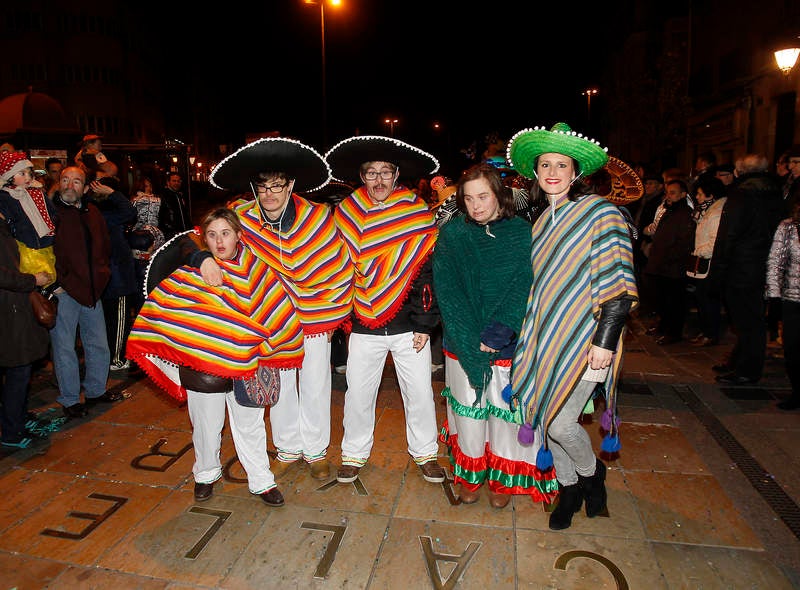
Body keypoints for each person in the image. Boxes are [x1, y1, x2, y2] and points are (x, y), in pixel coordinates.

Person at [507, 123, 639, 530]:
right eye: (544, 163)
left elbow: (618, 280)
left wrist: (605, 340)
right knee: (546, 416)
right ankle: (568, 489)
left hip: (588, 338)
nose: (551, 171)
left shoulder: (602, 213)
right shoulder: (541, 221)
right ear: (535, 171)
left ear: (576, 171)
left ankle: (591, 475)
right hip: (546, 337)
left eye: (560, 164)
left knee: (562, 422)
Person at [126, 208, 304, 506]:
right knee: (206, 425)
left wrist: (268, 350)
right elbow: (165, 313)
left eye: (225, 233)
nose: (220, 241)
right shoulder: (190, 273)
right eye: (212, 235)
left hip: (246, 365)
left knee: (251, 424)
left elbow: (276, 315)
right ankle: (205, 475)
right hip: (204, 369)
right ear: (204, 240)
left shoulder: (258, 270)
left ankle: (261, 481)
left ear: (238, 236)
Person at [207, 137, 353, 481]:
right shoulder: (241, 218)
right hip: (271, 316)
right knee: (282, 384)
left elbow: (338, 265)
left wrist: (331, 313)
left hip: (316, 315)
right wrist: (202, 258)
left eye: (277, 186)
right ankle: (288, 447)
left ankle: (316, 450)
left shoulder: (317, 217)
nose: (270, 194)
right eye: (263, 187)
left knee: (316, 383)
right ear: (253, 188)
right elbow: (211, 238)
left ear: (291, 185)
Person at [432, 163, 557, 508]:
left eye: (482, 196)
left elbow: (525, 285)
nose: (475, 205)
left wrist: (500, 329)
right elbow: (447, 288)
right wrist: (470, 334)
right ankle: (471, 475)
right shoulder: (453, 234)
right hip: (463, 339)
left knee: (504, 414)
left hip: (507, 343)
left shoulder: (521, 232)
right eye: (468, 198)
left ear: (498, 195)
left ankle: (502, 480)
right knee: (470, 412)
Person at [325, 135, 445, 485]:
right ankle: (353, 453)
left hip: (409, 324)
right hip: (363, 320)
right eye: (370, 173)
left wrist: (425, 323)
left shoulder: (416, 212)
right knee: (358, 393)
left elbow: (425, 271)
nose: (378, 180)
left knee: (420, 393)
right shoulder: (345, 212)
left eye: (385, 172)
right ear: (362, 177)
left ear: (396, 175)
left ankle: (426, 453)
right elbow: (337, 268)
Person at [51, 166, 123, 418]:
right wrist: (56, 284)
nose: (70, 186)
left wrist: (102, 275)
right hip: (64, 291)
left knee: (98, 345)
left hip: (93, 290)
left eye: (76, 181)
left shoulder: (92, 212)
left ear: (84, 187)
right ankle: (70, 399)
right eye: (65, 180)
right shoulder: (51, 212)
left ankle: (95, 390)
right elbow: (41, 251)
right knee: (64, 348)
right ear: (59, 182)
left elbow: (104, 246)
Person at [711, 154, 785, 385]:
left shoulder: (741, 194)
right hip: (764, 262)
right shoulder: (776, 192)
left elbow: (729, 233)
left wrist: (719, 266)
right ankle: (738, 361)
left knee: (747, 320)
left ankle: (748, 370)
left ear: (738, 171)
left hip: (741, 265)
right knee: (749, 317)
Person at [0, 210, 52, 449]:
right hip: (8, 308)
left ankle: (17, 420)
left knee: (19, 369)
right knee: (18, 369)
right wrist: (32, 280)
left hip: (13, 306)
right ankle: (12, 431)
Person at [87, 160, 138, 372]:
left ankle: (110, 357)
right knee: (118, 321)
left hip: (107, 277)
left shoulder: (93, 211)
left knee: (109, 320)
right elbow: (130, 212)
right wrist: (112, 193)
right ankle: (116, 359)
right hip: (117, 278)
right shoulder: (104, 215)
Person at [642, 179, 695, 345]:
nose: (669, 196)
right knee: (662, 299)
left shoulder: (685, 213)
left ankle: (673, 332)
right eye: (667, 193)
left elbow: (683, 242)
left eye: (673, 193)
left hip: (673, 266)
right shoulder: (668, 210)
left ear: (683, 194)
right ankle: (663, 326)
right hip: (660, 263)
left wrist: (669, 257)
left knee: (674, 301)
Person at [686, 175, 727, 347]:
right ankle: (706, 331)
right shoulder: (708, 212)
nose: (697, 197)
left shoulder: (716, 214)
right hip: (702, 261)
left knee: (708, 301)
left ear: (711, 196)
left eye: (700, 194)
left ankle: (711, 334)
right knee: (702, 300)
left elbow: (714, 242)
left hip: (708, 264)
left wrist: (697, 252)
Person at [767, 203, 800, 410]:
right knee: (794, 349)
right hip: (793, 298)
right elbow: (775, 263)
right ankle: (798, 392)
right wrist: (774, 296)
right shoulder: (788, 227)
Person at [128, 177, 164, 313]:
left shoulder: (134, 201)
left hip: (142, 238)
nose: (148, 189)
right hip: (144, 239)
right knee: (145, 277)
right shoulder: (151, 200)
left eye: (149, 186)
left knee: (142, 278)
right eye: (145, 186)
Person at [159, 172, 190, 240]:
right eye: (174, 181)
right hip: (171, 234)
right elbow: (162, 216)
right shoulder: (163, 196)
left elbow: (184, 214)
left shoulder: (179, 195)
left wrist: (189, 228)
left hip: (182, 233)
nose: (176, 183)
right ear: (168, 182)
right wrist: (170, 230)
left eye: (178, 181)